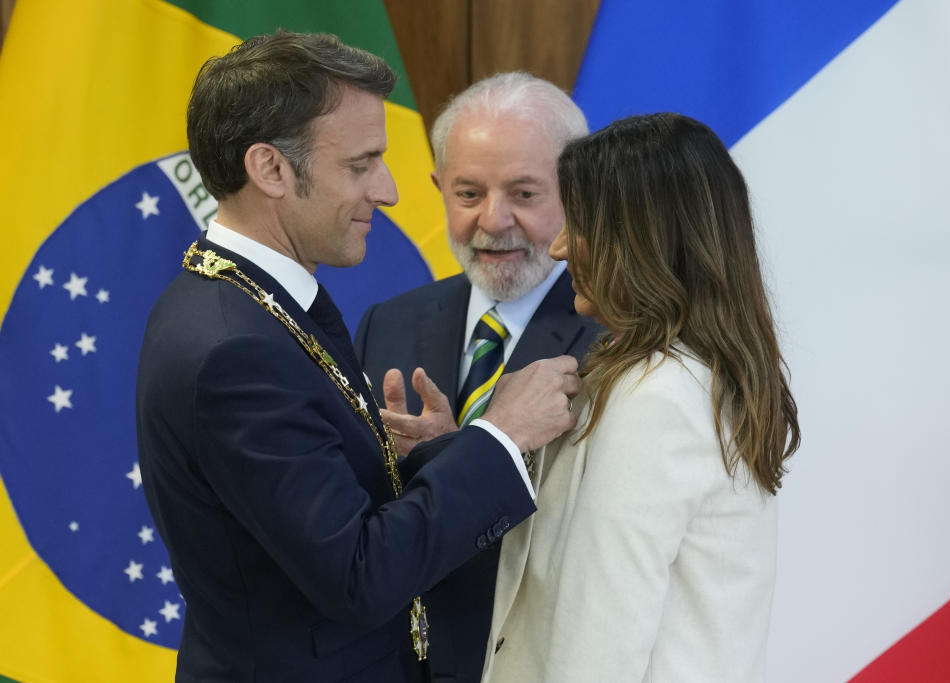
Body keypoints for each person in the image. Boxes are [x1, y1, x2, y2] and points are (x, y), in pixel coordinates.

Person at [135, 31, 581, 683]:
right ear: (271, 169)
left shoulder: (248, 304)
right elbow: (359, 573)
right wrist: (500, 435)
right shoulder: (236, 346)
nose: (391, 189)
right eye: (361, 163)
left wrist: (439, 452)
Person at [481, 113, 801, 682]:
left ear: (642, 241)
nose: (557, 249)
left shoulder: (656, 396)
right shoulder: (679, 376)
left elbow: (598, 642)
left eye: (577, 226)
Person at [353, 73, 602, 681]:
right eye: (468, 193)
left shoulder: (620, 334)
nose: (494, 221)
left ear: (578, 194)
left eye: (523, 193)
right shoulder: (389, 322)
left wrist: (470, 456)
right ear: (438, 188)